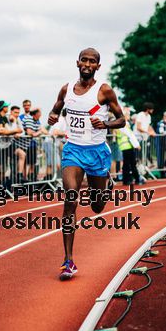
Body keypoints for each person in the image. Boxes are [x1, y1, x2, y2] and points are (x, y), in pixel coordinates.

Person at [48, 47, 125, 281]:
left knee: (97, 208)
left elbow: (122, 120)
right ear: (78, 62)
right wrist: (52, 117)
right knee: (70, 197)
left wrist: (106, 125)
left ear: (98, 66)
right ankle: (68, 261)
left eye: (92, 61)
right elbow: (55, 110)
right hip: (73, 151)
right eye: (84, 60)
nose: (87, 64)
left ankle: (106, 186)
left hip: (97, 153)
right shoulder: (67, 89)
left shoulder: (104, 91)